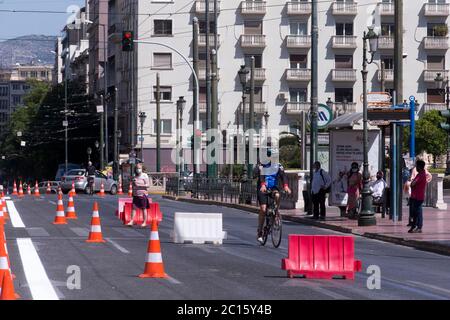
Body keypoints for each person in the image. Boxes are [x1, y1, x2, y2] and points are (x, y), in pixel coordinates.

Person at [255, 149, 291, 244]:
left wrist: (286, 186)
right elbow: (261, 175)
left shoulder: (278, 166)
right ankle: (260, 230)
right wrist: (262, 184)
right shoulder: (263, 164)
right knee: (263, 209)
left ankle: (276, 212)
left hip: (273, 187)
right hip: (263, 188)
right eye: (273, 157)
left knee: (278, 195)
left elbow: (284, 176)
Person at [127, 163, 150, 227]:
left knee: (143, 208)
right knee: (134, 208)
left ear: (142, 169)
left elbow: (148, 185)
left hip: (143, 195)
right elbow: (134, 185)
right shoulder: (135, 176)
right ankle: (131, 221)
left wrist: (140, 185)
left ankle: (144, 222)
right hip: (136, 194)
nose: (138, 169)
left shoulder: (144, 175)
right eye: (137, 168)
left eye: (139, 168)